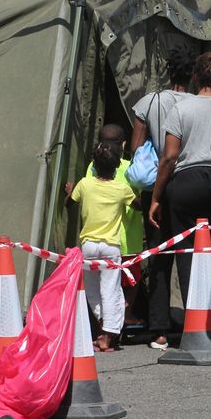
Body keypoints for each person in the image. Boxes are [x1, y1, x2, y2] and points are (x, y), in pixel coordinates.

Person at [148, 52, 211, 349]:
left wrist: (157, 197)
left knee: (185, 252)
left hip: (187, 181)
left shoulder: (181, 108)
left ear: (196, 77)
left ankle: (193, 325)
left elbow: (170, 156)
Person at [130, 47, 196, 349]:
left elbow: (135, 148)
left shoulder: (148, 103)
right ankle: (195, 322)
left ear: (168, 72)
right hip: (188, 183)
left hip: (156, 184)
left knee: (157, 256)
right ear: (192, 74)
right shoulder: (199, 104)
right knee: (189, 253)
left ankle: (158, 328)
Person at [66, 140, 137, 351]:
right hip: (111, 247)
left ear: (94, 165)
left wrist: (70, 191)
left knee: (93, 291)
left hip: (88, 246)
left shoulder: (84, 184)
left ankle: (104, 328)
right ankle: (110, 333)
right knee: (111, 291)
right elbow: (138, 206)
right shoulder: (122, 189)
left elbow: (69, 203)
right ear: (117, 166)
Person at [79, 125, 145, 327]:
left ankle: (105, 322)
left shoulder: (93, 167)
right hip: (127, 237)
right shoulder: (129, 167)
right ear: (123, 144)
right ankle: (126, 313)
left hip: (97, 236)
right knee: (130, 280)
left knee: (101, 284)